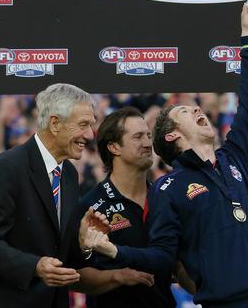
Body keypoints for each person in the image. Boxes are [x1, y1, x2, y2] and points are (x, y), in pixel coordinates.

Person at [83, 3, 248, 307]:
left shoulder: (234, 158)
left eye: (195, 107)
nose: (196, 108)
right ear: (172, 135)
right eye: (185, 111)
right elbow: (163, 256)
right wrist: (114, 252)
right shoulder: (169, 189)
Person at [0, 83, 97, 308]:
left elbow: (57, 250)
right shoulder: (5, 168)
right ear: (55, 123)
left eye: (91, 125)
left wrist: (84, 244)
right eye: (83, 125)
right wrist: (35, 266)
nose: (90, 135)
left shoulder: (69, 173)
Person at [78, 107, 195, 307]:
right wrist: (117, 276)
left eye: (149, 135)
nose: (148, 143)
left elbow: (177, 265)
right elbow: (77, 275)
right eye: (138, 136)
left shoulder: (166, 199)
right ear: (114, 147)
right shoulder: (90, 206)